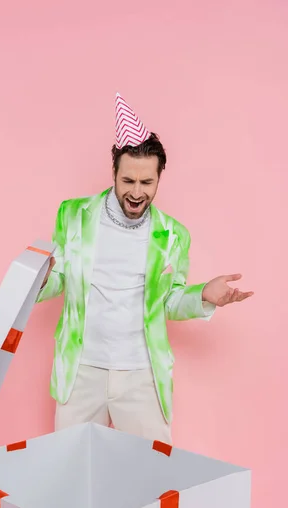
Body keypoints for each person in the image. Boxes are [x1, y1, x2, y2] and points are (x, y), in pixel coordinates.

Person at [37, 93, 253, 442]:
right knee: (69, 470)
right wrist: (40, 278)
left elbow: (169, 302)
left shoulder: (173, 235)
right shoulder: (73, 215)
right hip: (80, 370)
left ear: (158, 178)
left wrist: (203, 296)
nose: (136, 193)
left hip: (141, 373)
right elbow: (59, 278)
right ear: (114, 173)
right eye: (128, 181)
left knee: (152, 474)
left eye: (146, 183)